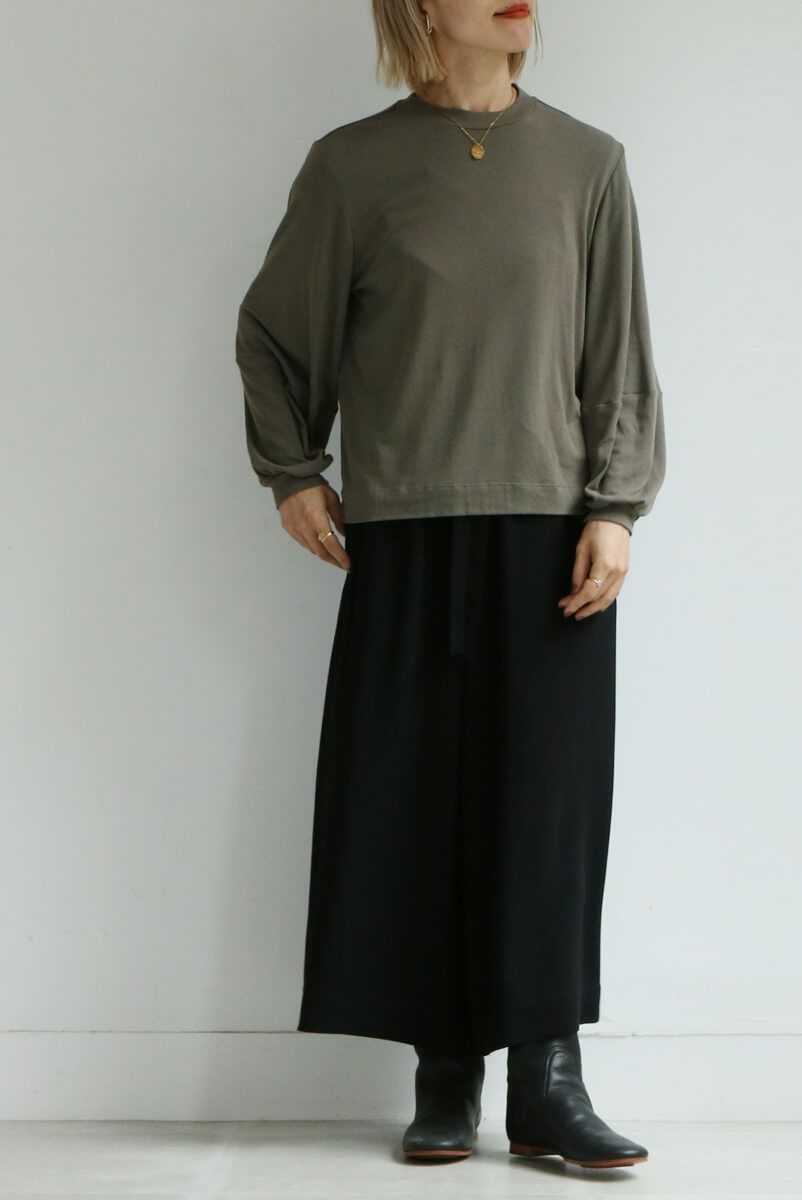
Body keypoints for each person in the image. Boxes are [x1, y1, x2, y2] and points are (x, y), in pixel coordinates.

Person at [234, 0, 665, 1171]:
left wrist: (615, 506)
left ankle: (549, 1080)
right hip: (404, 530)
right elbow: (274, 334)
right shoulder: (352, 168)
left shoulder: (586, 163)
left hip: (550, 534)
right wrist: (292, 473)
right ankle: (443, 1072)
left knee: (546, 812)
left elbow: (618, 355)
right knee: (413, 802)